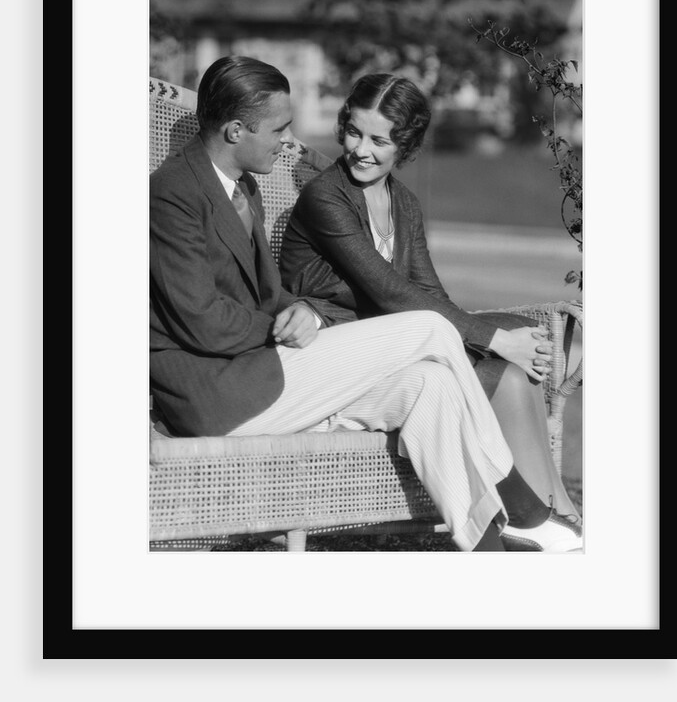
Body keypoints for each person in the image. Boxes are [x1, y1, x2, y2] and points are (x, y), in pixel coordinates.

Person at [150, 55, 582, 552]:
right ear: (234, 130)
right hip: (219, 395)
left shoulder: (244, 186)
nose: (290, 142)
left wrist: (302, 311)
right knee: (429, 329)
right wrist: (281, 326)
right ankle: (523, 503)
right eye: (279, 129)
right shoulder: (171, 195)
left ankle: (494, 553)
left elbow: (269, 295)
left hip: (266, 371)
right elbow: (203, 322)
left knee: (432, 384)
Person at [278, 72, 580, 526]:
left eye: (380, 140)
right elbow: (390, 290)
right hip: (340, 352)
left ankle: (554, 514)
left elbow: (429, 292)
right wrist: (494, 339)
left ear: (406, 144)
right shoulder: (326, 198)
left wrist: (501, 339)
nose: (362, 150)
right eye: (355, 132)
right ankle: (546, 522)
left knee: (516, 360)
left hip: (400, 338)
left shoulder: (405, 203)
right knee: (506, 362)